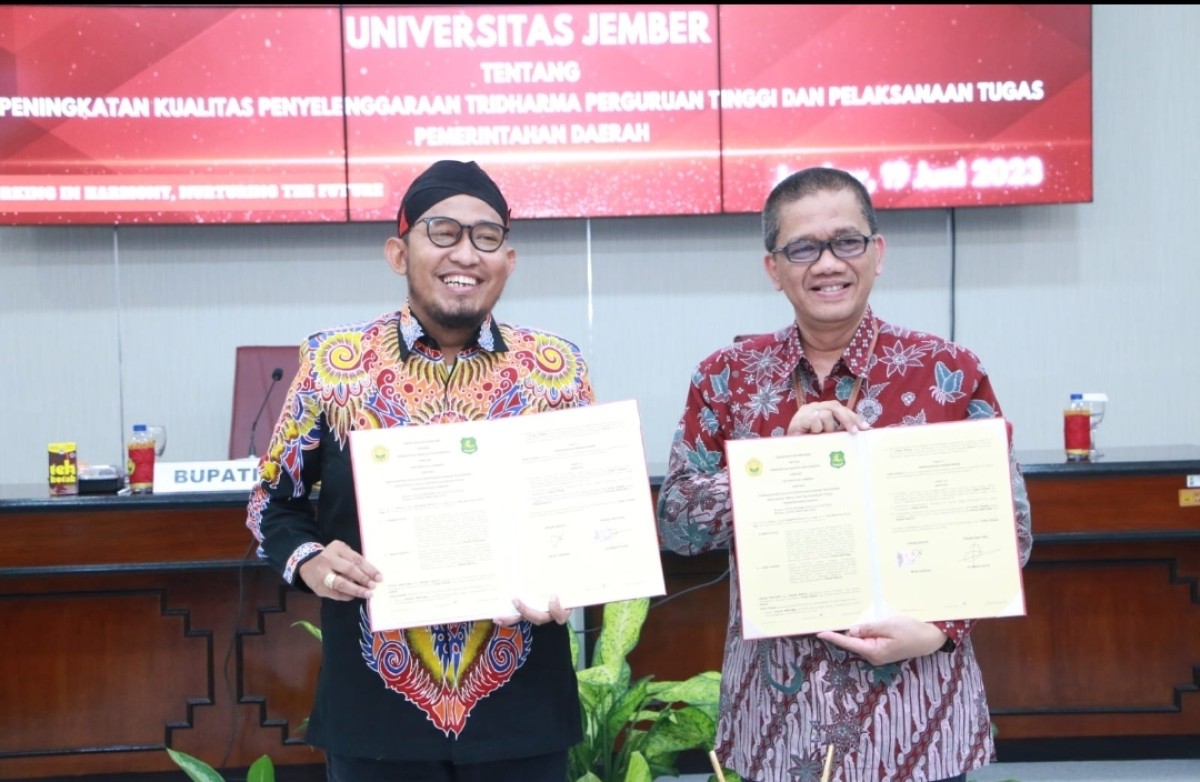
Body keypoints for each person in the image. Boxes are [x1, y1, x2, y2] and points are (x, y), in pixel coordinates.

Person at [656, 166, 1033, 782]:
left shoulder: (947, 370)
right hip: (777, 716)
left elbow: (1009, 531)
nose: (828, 263)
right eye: (803, 248)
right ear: (773, 268)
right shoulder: (726, 376)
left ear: (877, 252)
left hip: (916, 713)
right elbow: (678, 525)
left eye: (846, 242)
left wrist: (941, 631)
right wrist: (780, 465)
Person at [245, 160, 592, 782]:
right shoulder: (334, 364)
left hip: (523, 709)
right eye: (443, 232)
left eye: (486, 237)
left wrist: (574, 569)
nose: (466, 253)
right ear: (398, 253)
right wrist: (311, 560)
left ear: (508, 260)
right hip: (376, 713)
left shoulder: (556, 370)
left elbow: (585, 509)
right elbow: (272, 500)